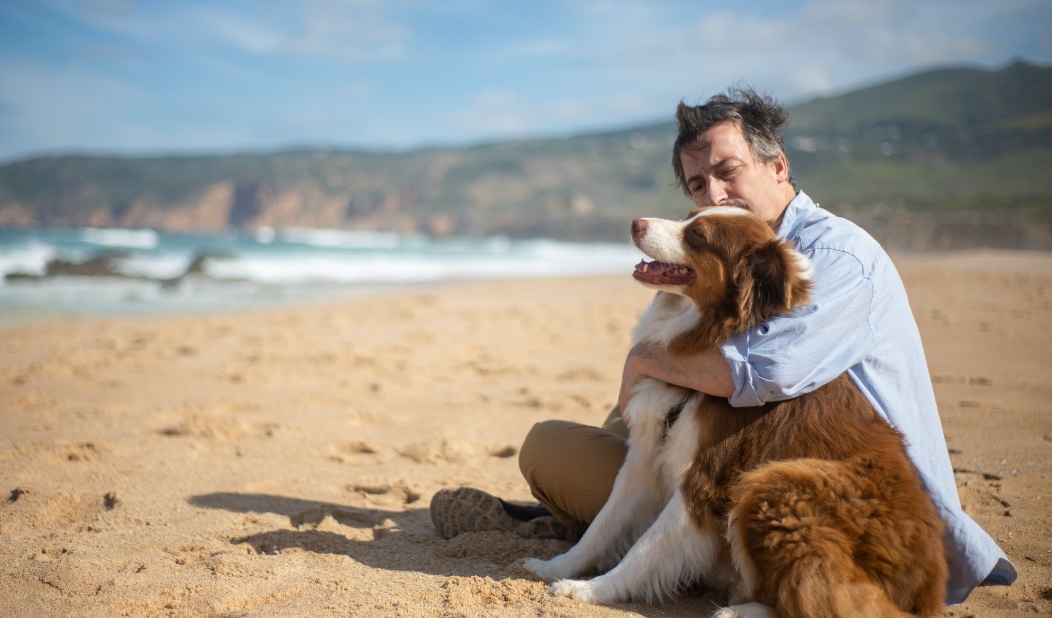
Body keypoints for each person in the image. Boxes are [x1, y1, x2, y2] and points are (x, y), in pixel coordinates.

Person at [430, 86, 1016, 605]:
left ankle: (574, 528)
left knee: (580, 447)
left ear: (778, 165)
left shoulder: (832, 256)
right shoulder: (735, 246)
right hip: (745, 450)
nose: (712, 192)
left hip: (842, 505)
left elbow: (767, 370)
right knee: (600, 428)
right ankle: (582, 526)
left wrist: (644, 362)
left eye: (728, 171)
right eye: (697, 184)